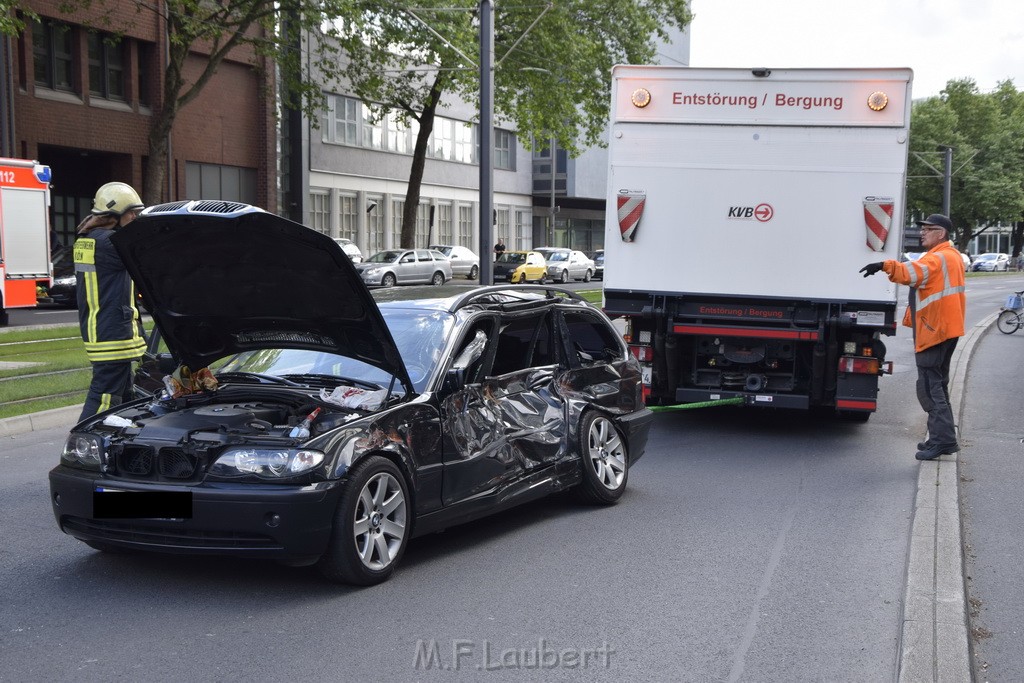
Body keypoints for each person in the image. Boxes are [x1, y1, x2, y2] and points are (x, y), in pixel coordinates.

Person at [860, 213, 966, 460]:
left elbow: (913, 273)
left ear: (941, 233)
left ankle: (941, 442)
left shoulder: (939, 258)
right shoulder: (949, 256)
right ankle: (943, 439)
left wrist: (884, 265)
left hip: (935, 331)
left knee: (930, 388)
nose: (922, 233)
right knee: (938, 385)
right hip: (945, 330)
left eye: (927, 229)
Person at [74, 182, 147, 421]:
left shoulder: (88, 239)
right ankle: (80, 447)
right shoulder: (110, 243)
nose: (135, 217)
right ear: (115, 213)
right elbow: (148, 261)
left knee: (126, 397)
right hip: (111, 334)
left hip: (102, 327)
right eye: (131, 212)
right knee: (104, 398)